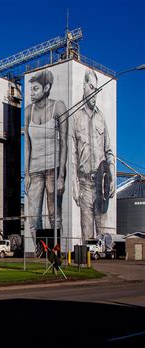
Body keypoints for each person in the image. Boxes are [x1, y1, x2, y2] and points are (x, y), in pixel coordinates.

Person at [72, 69, 115, 241]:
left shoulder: (101, 118)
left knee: (104, 236)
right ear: (84, 86)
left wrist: (111, 175)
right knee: (87, 237)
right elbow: (72, 154)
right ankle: (86, 265)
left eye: (97, 90)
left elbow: (109, 151)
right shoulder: (75, 116)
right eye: (91, 87)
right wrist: (74, 185)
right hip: (84, 185)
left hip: (101, 185)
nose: (94, 93)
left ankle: (104, 264)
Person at [25, 70, 68, 239]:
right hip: (35, 171)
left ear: (46, 87)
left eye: (35, 89)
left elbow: (64, 142)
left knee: (54, 216)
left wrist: (61, 175)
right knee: (33, 218)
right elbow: (27, 145)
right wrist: (27, 173)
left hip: (53, 169)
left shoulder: (58, 107)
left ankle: (56, 254)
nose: (32, 93)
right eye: (31, 89)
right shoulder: (28, 110)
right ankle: (39, 254)